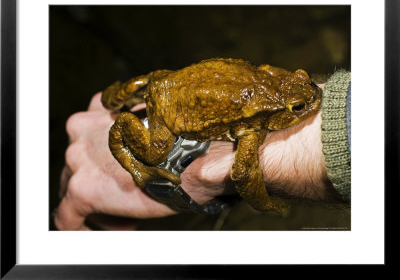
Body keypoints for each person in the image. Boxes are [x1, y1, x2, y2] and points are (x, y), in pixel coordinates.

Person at [54, 70, 351, 231]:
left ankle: (112, 96)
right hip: (168, 105)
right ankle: (121, 129)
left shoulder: (264, 88)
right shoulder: (253, 125)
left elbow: (244, 171)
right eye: (298, 108)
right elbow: (244, 173)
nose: (314, 100)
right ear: (274, 115)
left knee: (136, 91)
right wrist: (266, 205)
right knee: (156, 154)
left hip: (166, 78)